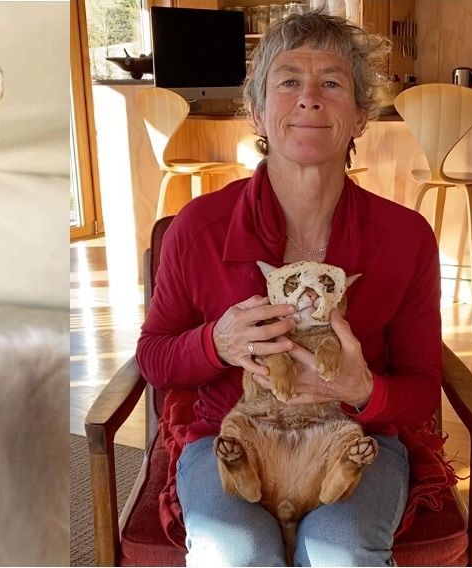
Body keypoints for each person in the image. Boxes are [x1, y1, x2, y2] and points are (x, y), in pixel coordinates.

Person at [136, 12, 452, 567]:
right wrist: (217, 343)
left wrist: (361, 389)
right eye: (288, 81)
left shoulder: (406, 237)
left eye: (332, 82)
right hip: (228, 436)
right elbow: (154, 358)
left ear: (359, 116)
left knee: (343, 550)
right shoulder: (197, 227)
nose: (309, 98)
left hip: (353, 438)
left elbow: (424, 386)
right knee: (237, 551)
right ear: (258, 111)